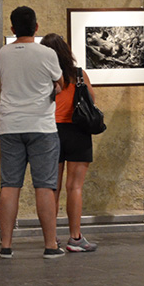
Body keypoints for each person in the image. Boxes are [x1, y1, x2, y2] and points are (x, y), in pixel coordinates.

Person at [0, 7, 65, 260]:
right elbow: (60, 82)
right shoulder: (46, 53)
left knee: (10, 185)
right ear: (37, 27)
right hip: (42, 127)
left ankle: (5, 245)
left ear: (12, 29)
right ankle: (49, 245)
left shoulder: (3, 53)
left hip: (10, 126)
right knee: (45, 186)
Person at [40, 33, 98, 252]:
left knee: (51, 188)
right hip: (78, 131)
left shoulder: (45, 75)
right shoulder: (78, 74)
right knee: (75, 187)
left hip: (50, 131)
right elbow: (92, 99)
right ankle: (75, 238)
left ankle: (51, 239)